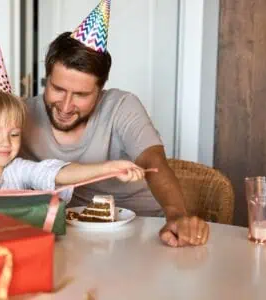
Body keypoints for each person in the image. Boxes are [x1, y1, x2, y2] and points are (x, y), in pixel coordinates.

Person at [20, 1, 209, 248]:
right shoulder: (20, 115)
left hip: (142, 230)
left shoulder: (122, 106)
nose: (65, 106)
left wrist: (176, 215)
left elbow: (154, 162)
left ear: (100, 91)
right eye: (57, 89)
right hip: (70, 236)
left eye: (80, 95)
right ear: (46, 80)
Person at [0, 45, 146, 215]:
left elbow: (56, 174)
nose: (5, 143)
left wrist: (109, 168)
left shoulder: (17, 171)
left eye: (14, 134)